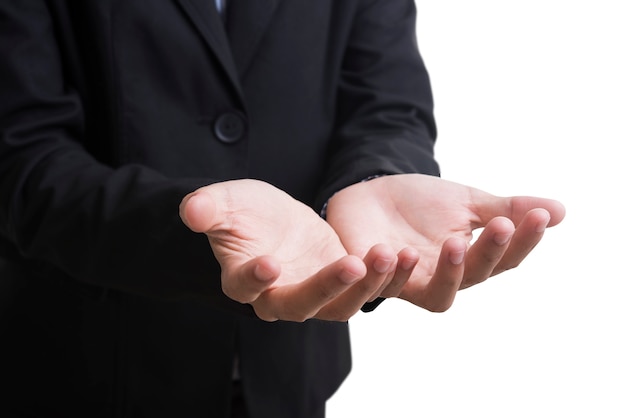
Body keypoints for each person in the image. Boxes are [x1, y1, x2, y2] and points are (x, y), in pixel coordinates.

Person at [0, 1, 565, 417]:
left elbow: (386, 107)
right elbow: (21, 155)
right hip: (81, 368)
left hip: (290, 374)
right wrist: (200, 227)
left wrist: (376, 181)